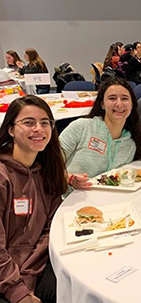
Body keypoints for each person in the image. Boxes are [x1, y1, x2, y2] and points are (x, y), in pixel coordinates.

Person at [0, 95, 67, 303]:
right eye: (28, 122)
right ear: (11, 129)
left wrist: (28, 273)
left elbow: (50, 226)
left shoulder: (47, 170)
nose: (38, 129)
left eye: (45, 123)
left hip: (34, 266)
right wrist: (18, 290)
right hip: (5, 275)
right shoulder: (2, 177)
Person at [60, 77, 141, 190]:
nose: (119, 104)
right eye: (112, 98)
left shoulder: (130, 145)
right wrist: (70, 178)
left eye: (125, 99)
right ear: (102, 104)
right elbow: (50, 163)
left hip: (106, 202)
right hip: (68, 200)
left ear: (132, 105)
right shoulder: (82, 127)